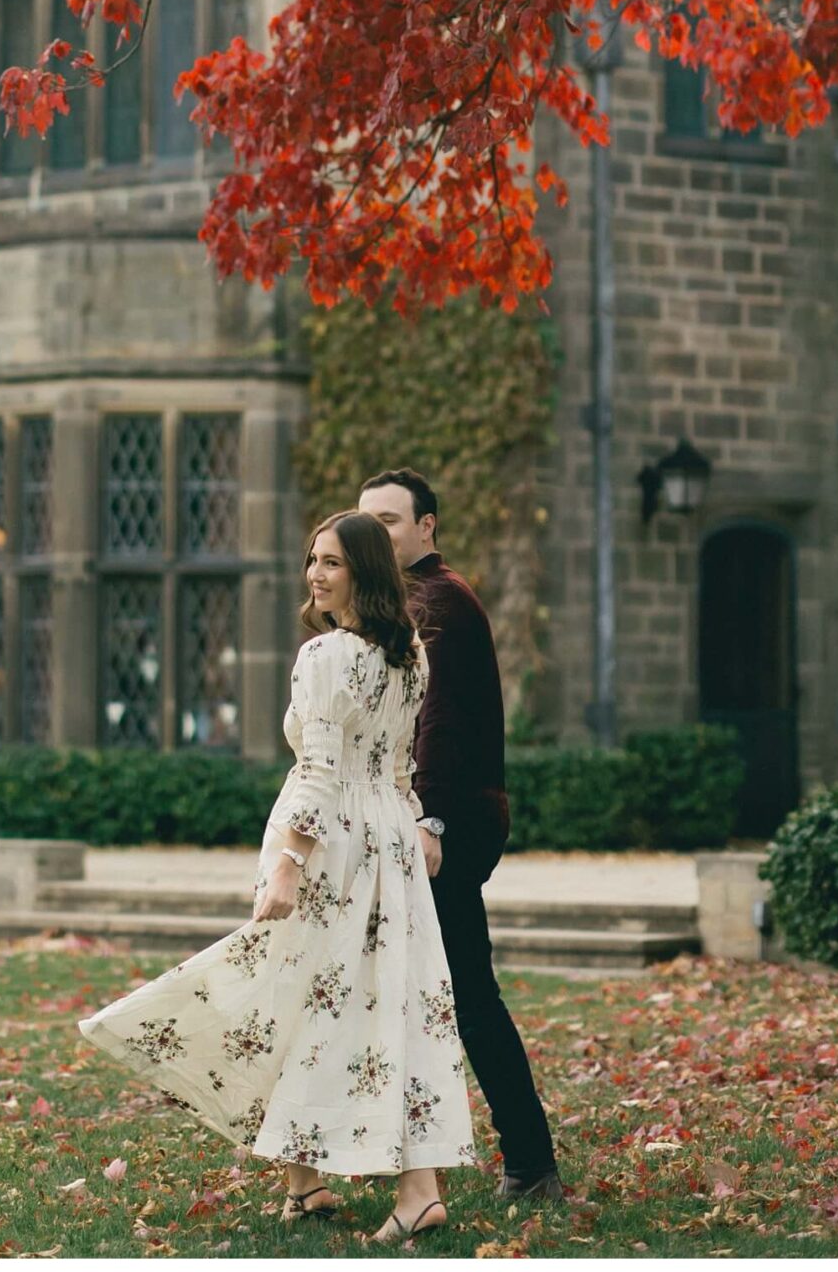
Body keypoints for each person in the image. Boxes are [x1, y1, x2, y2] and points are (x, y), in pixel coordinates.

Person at [80, 510, 475, 1242]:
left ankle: (403, 1187)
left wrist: (288, 863)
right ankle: (310, 1183)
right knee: (369, 1000)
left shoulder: (325, 655)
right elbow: (398, 768)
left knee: (291, 994)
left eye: (332, 563)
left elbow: (321, 771)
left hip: (332, 842)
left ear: (364, 572)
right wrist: (412, 825)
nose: (315, 575)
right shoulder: (409, 656)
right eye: (312, 560)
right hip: (387, 839)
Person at [358, 469, 564, 1206]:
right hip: (424, 820)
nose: (375, 533)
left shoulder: (436, 601)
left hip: (446, 825)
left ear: (427, 527)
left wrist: (430, 820)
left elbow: (438, 719)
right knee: (438, 993)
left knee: (469, 995)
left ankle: (529, 1163)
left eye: (389, 520)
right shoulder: (400, 601)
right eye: (366, 521)